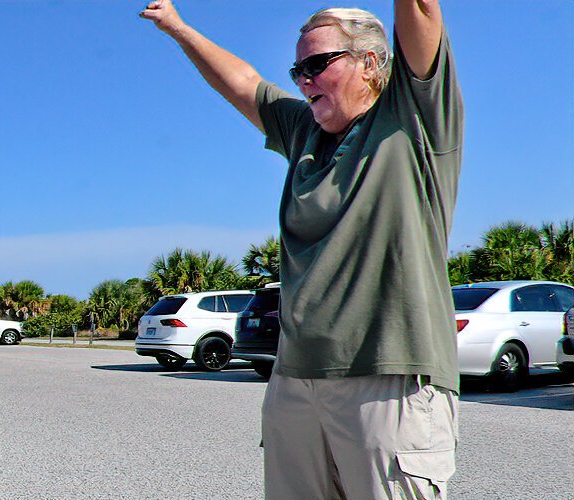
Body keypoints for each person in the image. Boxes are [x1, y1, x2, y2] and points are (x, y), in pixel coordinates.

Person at [141, 1, 460, 498]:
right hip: (294, 379)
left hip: (388, 376)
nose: (304, 81)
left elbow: (421, 17)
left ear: (370, 64)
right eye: (297, 70)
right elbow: (244, 83)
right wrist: (179, 29)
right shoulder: (304, 133)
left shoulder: (410, 118)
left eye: (317, 65)